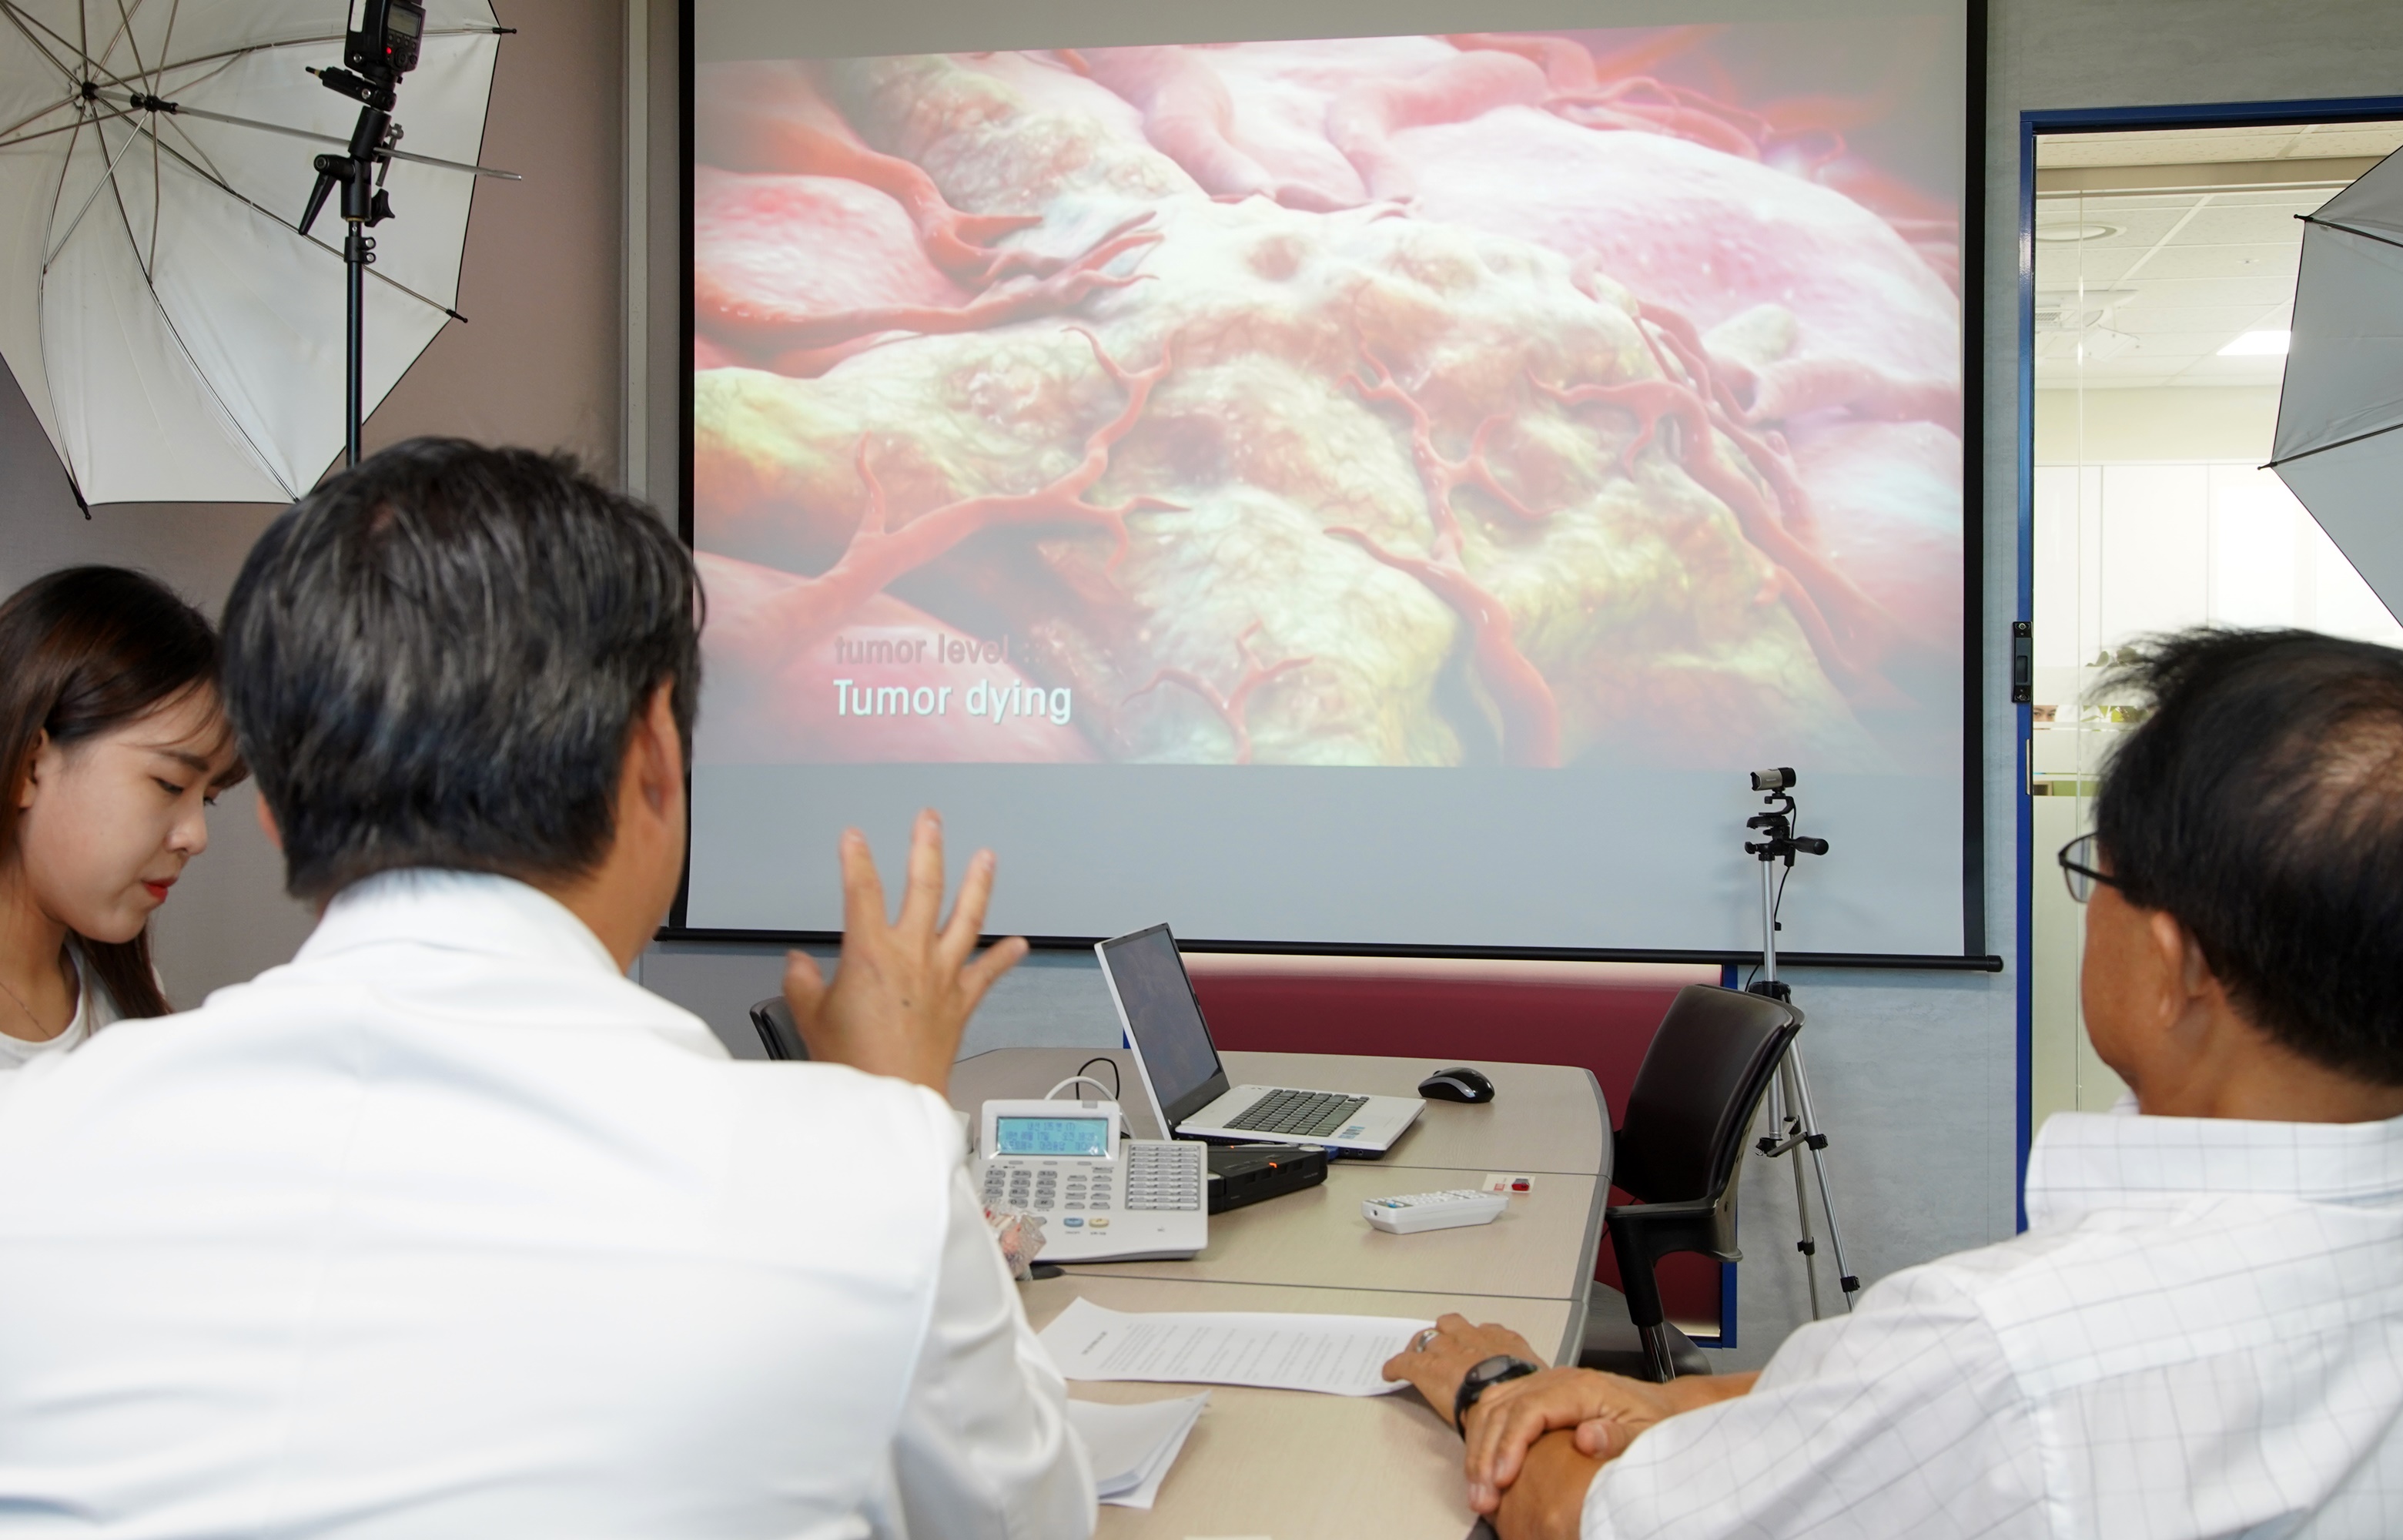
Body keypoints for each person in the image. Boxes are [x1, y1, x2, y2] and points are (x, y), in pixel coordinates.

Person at [0, 440, 1093, 1538]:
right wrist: (890, 1110)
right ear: (656, 757)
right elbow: (1028, 1519)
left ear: (275, 806)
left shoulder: (28, 1147)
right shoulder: (861, 1181)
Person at [1385, 627, 2403, 1539]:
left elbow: (1582, 1517)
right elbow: (1890, 1412)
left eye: (2100, 870)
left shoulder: (2004, 1345)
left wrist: (1492, 1382)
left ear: (2175, 966)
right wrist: (1681, 1404)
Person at [0, 566, 243, 1070]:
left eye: (208, 799)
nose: (195, 837)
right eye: (169, 784)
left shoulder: (126, 999)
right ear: (29, 765)